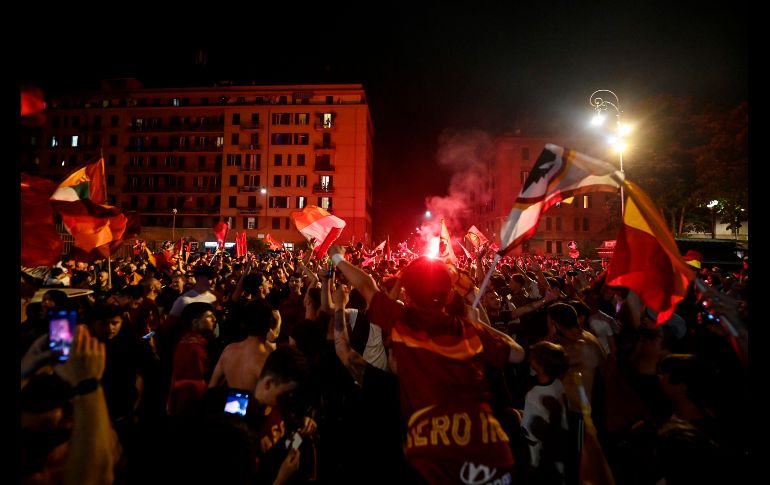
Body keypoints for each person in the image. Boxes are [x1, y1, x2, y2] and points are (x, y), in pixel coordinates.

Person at [327, 245, 525, 484]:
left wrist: (337, 257)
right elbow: (518, 354)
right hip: (490, 466)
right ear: (449, 295)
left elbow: (367, 286)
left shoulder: (405, 323)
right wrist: (480, 325)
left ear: (407, 296)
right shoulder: (469, 331)